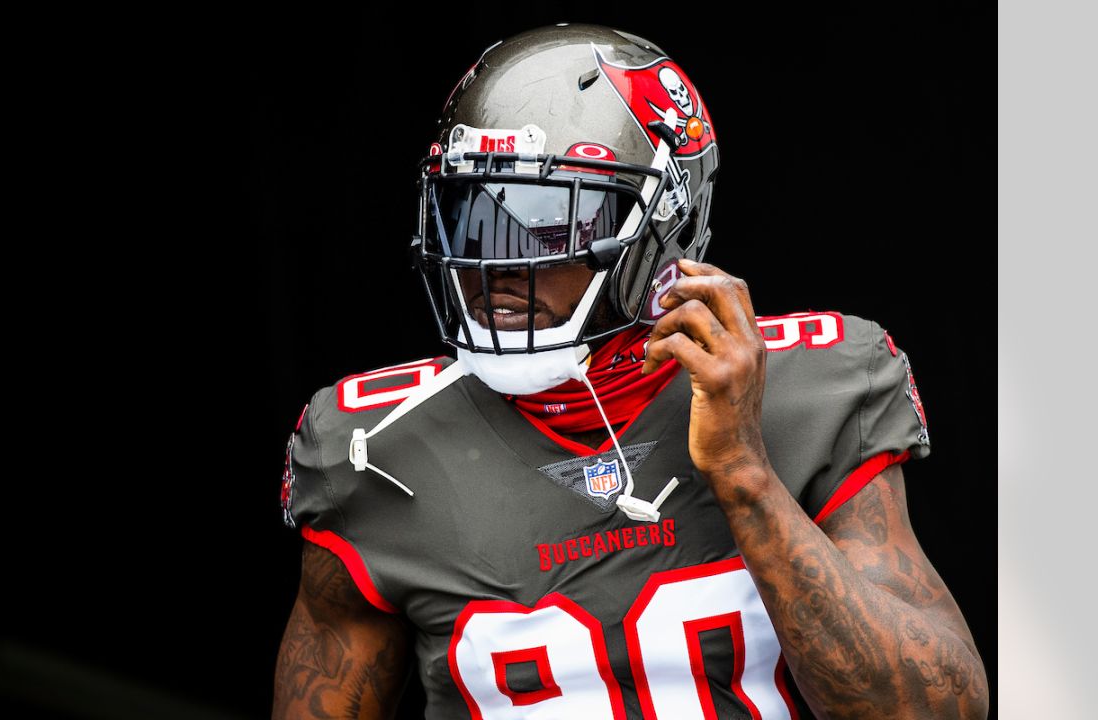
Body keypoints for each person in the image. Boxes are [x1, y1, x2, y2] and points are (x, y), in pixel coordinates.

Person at [272, 23, 987, 720]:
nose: (494, 263)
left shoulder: (819, 388)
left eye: (547, 221)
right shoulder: (373, 450)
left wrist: (746, 477)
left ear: (661, 229)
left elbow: (933, 710)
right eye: (472, 216)